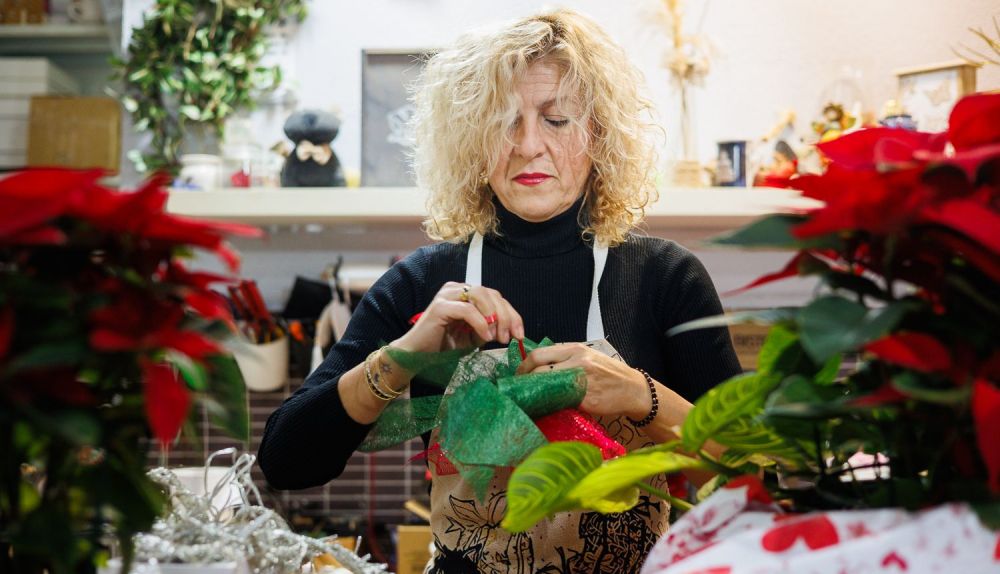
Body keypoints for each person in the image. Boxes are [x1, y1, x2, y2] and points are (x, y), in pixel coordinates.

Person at [259, 9, 741, 573]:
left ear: (599, 134)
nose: (527, 145)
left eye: (556, 120)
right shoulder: (422, 283)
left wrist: (643, 397)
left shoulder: (664, 278)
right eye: (502, 121)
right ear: (470, 139)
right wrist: (404, 356)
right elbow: (287, 462)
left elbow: (752, 477)